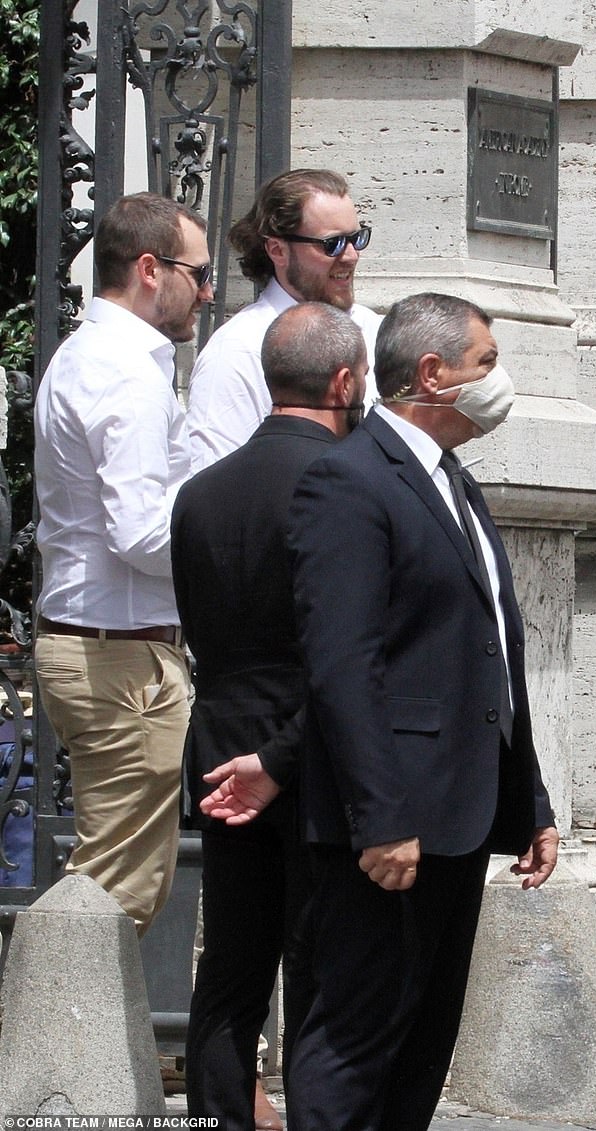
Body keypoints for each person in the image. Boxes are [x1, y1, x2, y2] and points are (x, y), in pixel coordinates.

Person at [204, 292, 559, 1131]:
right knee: (352, 1046)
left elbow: (489, 657)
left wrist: (531, 799)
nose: (498, 381)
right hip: (392, 826)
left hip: (461, 816)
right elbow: (342, 664)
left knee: (421, 1048)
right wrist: (381, 817)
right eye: (486, 363)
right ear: (431, 374)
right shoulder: (348, 477)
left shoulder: (452, 481)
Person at [172, 302, 368, 1129]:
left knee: (231, 970)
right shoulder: (348, 486)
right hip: (311, 753)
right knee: (319, 968)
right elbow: (349, 650)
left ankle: (220, 1114)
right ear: (347, 381)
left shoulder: (199, 494)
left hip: (223, 750)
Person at [33, 191, 212, 934]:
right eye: (198, 274)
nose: (206, 290)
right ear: (149, 268)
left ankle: (66, 1045)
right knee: (111, 898)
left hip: (107, 649)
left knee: (111, 891)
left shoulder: (93, 356)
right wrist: (230, 548)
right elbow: (142, 535)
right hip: (120, 659)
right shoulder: (127, 374)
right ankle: (53, 1049)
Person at [187, 167, 382, 470]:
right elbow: (217, 483)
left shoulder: (371, 329)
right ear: (277, 249)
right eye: (332, 244)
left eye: (356, 238)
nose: (351, 256)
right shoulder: (237, 351)